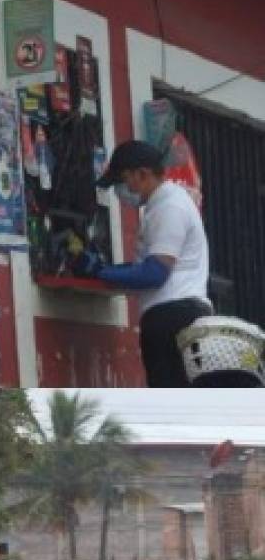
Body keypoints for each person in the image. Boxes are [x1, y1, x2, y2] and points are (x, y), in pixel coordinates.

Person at [78, 140, 211, 387]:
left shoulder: (170, 206)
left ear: (143, 174)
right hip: (175, 315)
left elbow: (155, 272)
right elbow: (148, 266)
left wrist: (103, 272)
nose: (122, 189)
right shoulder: (159, 205)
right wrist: (108, 271)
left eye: (124, 179)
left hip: (174, 317)